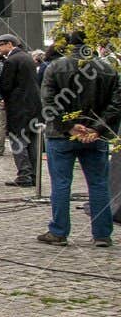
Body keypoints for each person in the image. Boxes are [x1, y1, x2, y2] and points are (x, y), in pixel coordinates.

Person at [36, 32, 117, 247]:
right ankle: (102, 234)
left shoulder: (55, 67)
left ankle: (59, 231)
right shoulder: (107, 68)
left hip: (61, 135)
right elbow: (116, 103)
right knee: (99, 184)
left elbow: (48, 101)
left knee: (61, 183)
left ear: (69, 46)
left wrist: (69, 126)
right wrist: (97, 129)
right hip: (94, 135)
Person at [0, 33, 39, 187]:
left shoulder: (12, 61)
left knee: (18, 141)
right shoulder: (27, 58)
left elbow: (5, 86)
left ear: (10, 44)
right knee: (32, 141)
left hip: (18, 107)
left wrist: (3, 99)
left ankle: (24, 175)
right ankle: (34, 174)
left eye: (0, 45)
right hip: (33, 106)